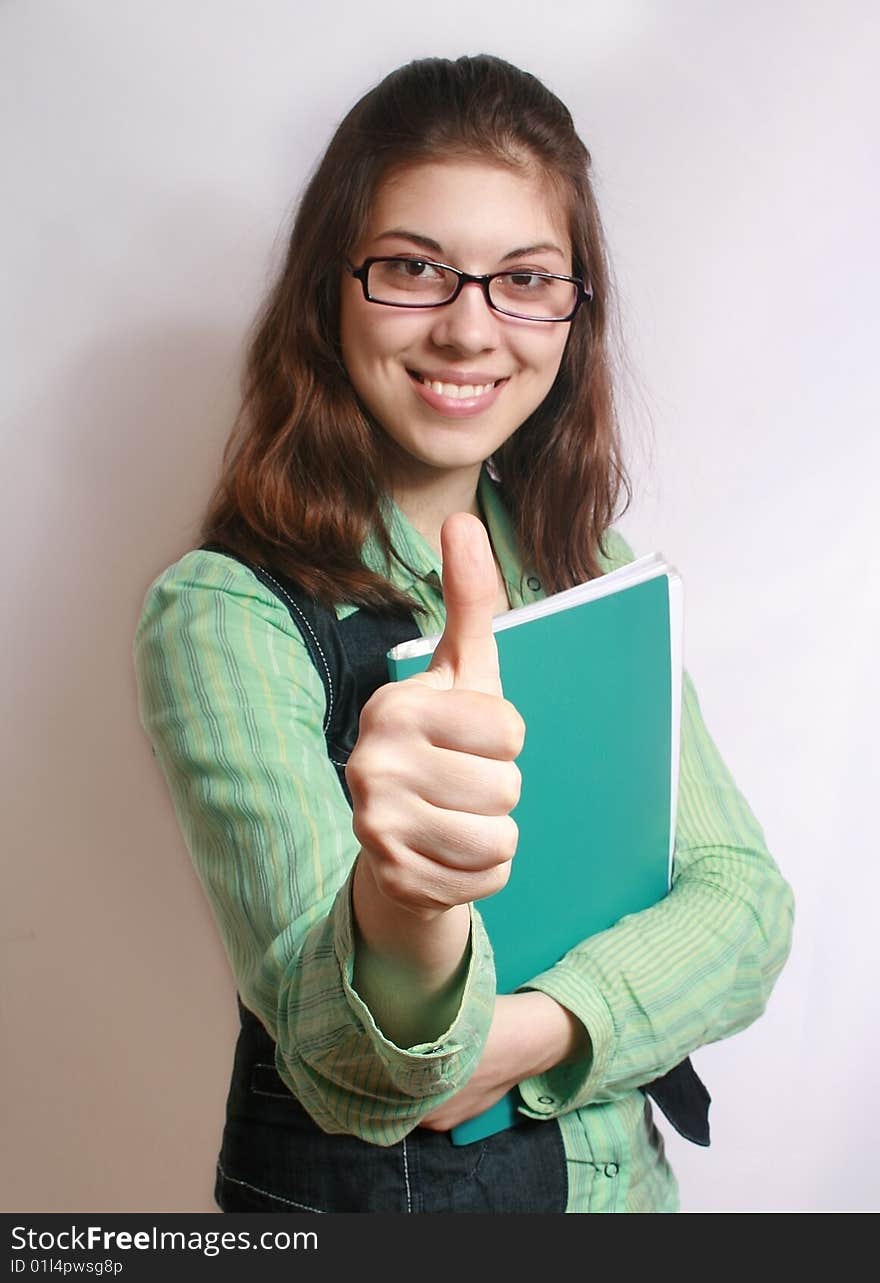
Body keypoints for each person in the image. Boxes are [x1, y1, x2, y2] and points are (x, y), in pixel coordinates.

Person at [133, 53, 794, 1214]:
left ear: (573, 311)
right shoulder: (226, 613)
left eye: (524, 278)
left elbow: (743, 905)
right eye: (411, 269)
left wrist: (533, 1031)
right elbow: (344, 1058)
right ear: (326, 291)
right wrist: (408, 903)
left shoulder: (594, 568)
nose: (468, 327)